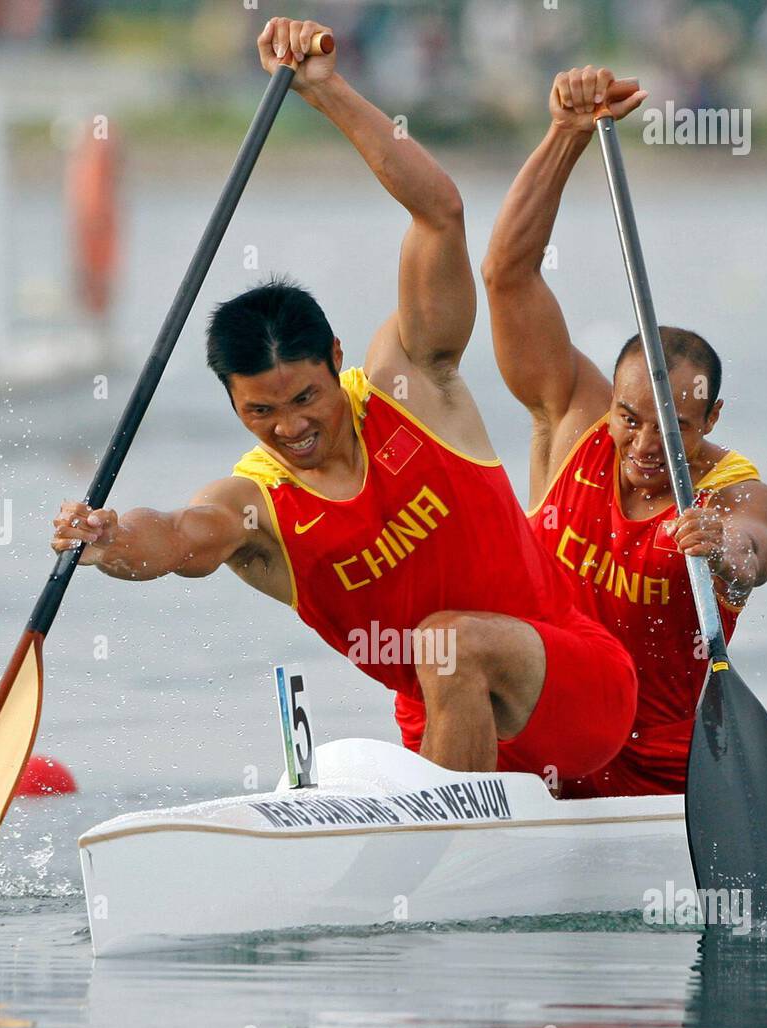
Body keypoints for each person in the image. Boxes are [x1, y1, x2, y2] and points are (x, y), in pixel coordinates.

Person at [52, 21, 636, 783]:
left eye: (304, 399)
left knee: (444, 644)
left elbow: (440, 214)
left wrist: (325, 90)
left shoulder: (413, 385)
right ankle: (444, 844)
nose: (289, 428)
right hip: (448, 721)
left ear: (336, 361)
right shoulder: (255, 506)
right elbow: (172, 536)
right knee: (438, 660)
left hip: (576, 692)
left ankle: (444, 852)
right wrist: (105, 542)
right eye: (259, 413)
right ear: (232, 404)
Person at [482, 64, 767, 797]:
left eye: (674, 429)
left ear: (712, 419)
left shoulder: (736, 493)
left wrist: (724, 552)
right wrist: (565, 136)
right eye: (630, 419)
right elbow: (507, 277)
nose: (645, 445)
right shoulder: (573, 423)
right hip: (545, 740)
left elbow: (757, 549)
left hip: (661, 773)